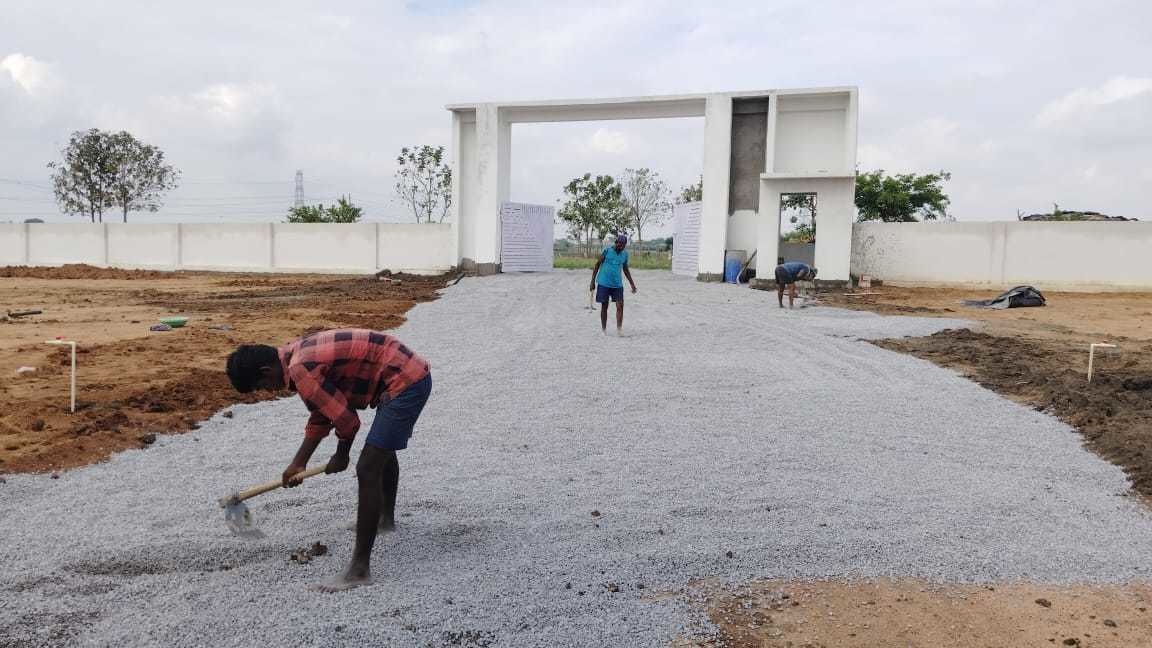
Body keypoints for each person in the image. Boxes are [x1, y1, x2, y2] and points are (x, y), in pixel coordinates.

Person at [225, 329, 431, 592]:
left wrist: (342, 454)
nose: (268, 390)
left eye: (262, 386)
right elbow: (323, 411)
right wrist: (298, 462)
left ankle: (359, 571)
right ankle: (384, 520)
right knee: (381, 447)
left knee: (368, 467)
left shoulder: (300, 369)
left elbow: (347, 420)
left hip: (406, 381)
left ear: (266, 371)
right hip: (400, 372)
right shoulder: (293, 355)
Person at [589, 234, 638, 335]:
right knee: (604, 306)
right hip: (604, 283)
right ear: (616, 243)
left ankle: (619, 329)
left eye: (623, 245)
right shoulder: (607, 251)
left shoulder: (624, 254)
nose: (621, 246)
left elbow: (625, 269)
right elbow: (597, 265)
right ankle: (604, 330)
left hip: (617, 284)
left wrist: (632, 284)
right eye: (620, 244)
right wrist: (592, 281)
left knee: (620, 306)